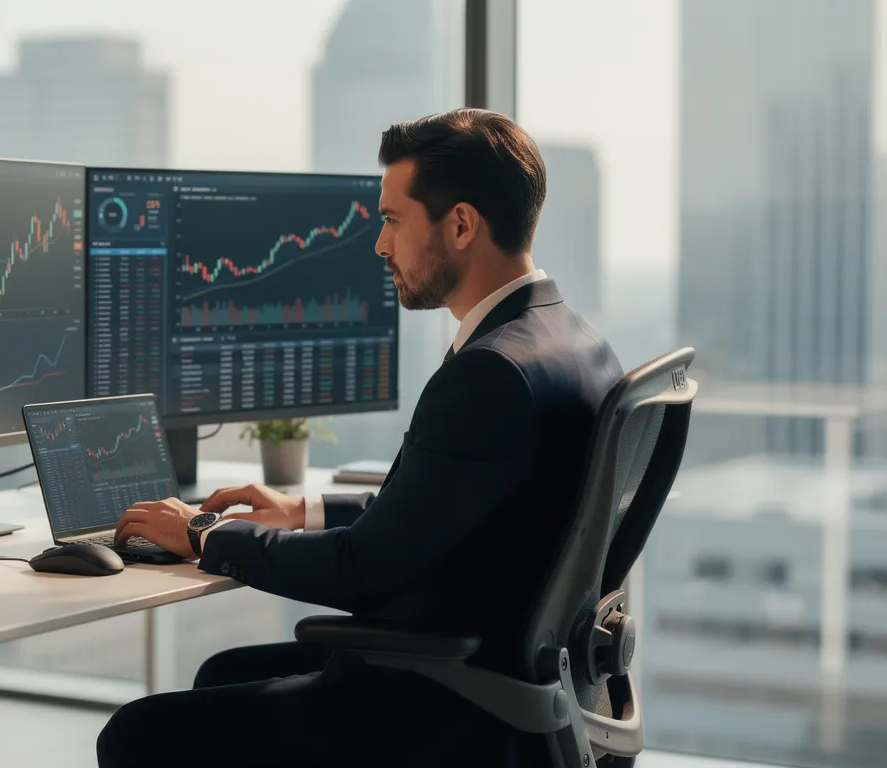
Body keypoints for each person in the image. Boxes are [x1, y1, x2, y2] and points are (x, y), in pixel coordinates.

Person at [97, 108, 624, 767]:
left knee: (134, 735)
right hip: (504, 680)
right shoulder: (574, 343)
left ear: (461, 225)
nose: (380, 244)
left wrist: (203, 533)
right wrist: (304, 510)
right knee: (221, 674)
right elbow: (446, 512)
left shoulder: (492, 371)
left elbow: (362, 570)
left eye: (393, 220)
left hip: (443, 711)